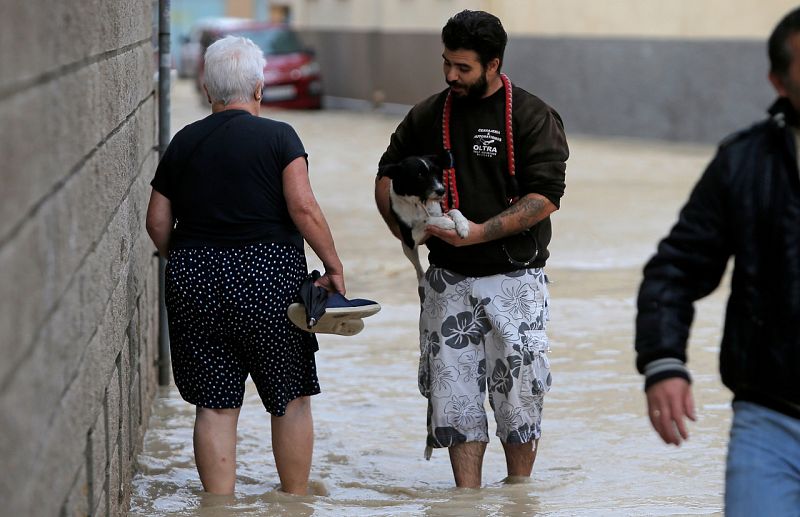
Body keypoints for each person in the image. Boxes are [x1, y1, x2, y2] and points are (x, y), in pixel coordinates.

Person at [375, 10, 568, 488]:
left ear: (493, 64)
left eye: (462, 68)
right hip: (447, 280)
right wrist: (408, 228)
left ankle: (518, 496)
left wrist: (479, 232)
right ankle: (466, 501)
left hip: (516, 279)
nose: (450, 76)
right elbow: (385, 175)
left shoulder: (532, 115)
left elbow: (546, 197)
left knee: (519, 399)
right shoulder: (425, 114)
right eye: (446, 63)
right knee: (454, 401)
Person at [146, 35, 345, 496]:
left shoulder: (183, 142)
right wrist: (332, 266)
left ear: (207, 88)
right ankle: (294, 501)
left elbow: (157, 221)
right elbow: (304, 208)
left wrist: (185, 258)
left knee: (214, 406)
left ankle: (219, 505)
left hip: (194, 277)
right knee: (290, 399)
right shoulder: (280, 137)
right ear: (259, 88)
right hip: (270, 279)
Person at [635, 7, 800, 515]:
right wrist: (664, 363)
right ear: (778, 80)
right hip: (771, 419)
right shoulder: (743, 163)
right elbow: (675, 268)